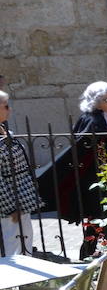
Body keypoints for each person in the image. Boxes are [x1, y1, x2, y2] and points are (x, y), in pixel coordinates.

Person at [70, 81, 107, 257]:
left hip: (101, 177)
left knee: (98, 219)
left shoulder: (103, 117)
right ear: (98, 101)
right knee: (97, 219)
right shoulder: (92, 120)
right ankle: (92, 255)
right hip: (93, 178)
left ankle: (95, 254)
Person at [0, 91, 41, 256]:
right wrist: (11, 208)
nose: (10, 109)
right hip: (9, 203)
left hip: (20, 197)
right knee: (12, 245)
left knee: (24, 241)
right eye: (6, 106)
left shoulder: (3, 130)